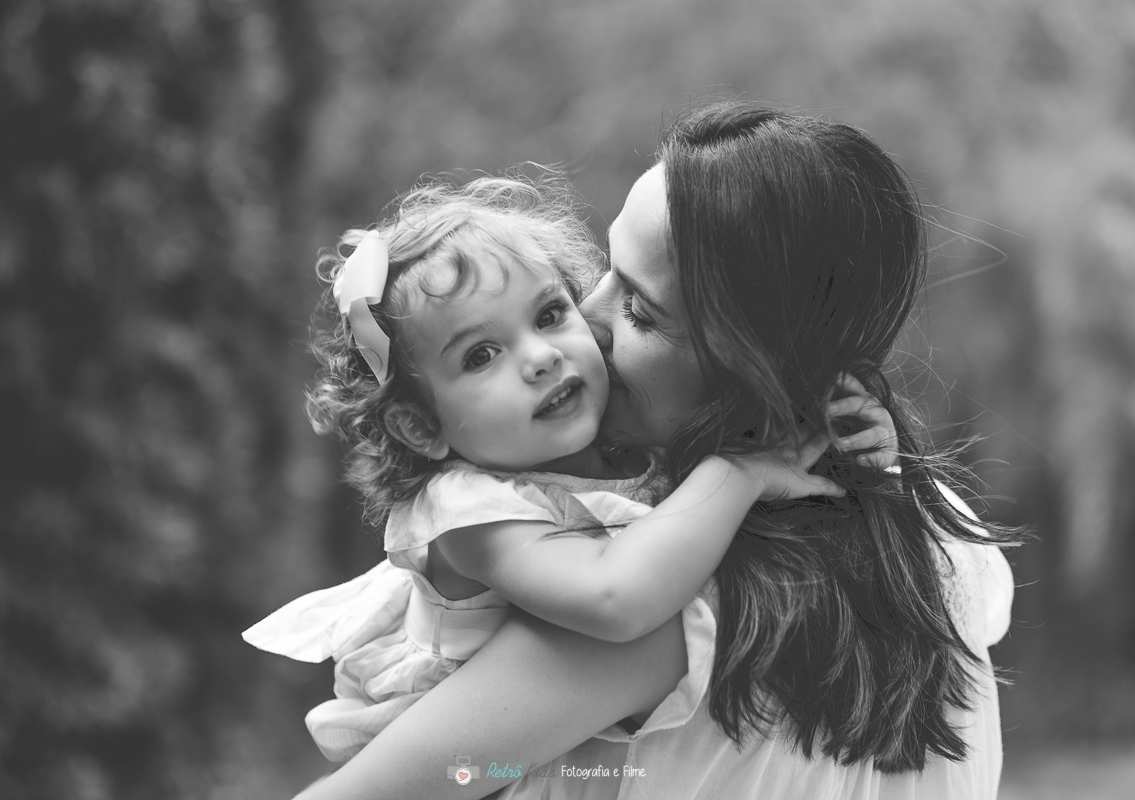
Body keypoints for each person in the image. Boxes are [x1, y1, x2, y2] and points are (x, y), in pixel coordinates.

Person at [289, 102, 1018, 800]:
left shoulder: (673, 590)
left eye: (639, 309)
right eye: (592, 280)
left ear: (753, 359)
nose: (587, 325)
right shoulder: (934, 538)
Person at [242, 174, 891, 768]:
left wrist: (833, 427)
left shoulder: (602, 451)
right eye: (481, 355)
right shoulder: (464, 512)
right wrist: (743, 472)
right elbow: (618, 600)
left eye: (550, 314)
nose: (541, 358)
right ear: (422, 428)